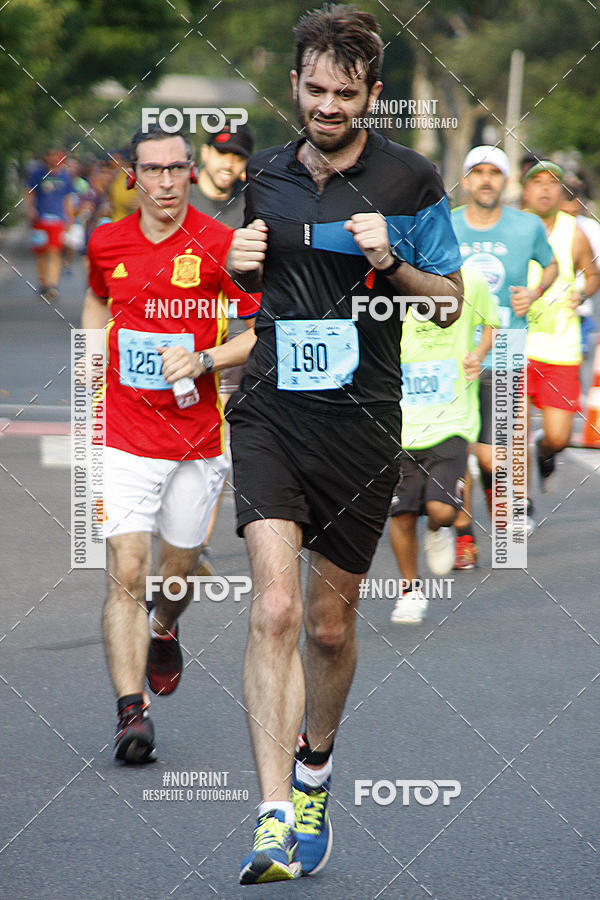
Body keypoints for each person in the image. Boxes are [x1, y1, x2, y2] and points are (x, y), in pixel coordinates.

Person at [225, 4, 463, 885]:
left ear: (372, 93)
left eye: (344, 92)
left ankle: (315, 767)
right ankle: (272, 816)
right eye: (314, 89)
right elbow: (260, 300)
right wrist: (239, 265)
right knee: (275, 610)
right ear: (295, 84)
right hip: (271, 415)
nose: (327, 105)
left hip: (363, 424)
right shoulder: (266, 175)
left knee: (328, 626)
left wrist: (394, 263)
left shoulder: (411, 180)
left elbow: (449, 302)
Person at [82, 123, 259, 764]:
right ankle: (133, 714)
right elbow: (98, 303)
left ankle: (163, 629)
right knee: (126, 570)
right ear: (133, 173)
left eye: (175, 168)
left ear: (191, 171)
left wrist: (206, 358)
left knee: (175, 577)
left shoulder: (218, 244)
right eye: (152, 169)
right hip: (124, 433)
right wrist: (90, 351)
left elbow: (257, 331)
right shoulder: (105, 242)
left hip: (195, 438)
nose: (164, 181)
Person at [451, 146, 557, 564]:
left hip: (508, 347)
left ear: (505, 181)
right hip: (455, 351)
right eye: (478, 172)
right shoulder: (447, 225)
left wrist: (534, 291)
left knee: (496, 452)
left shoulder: (526, 226)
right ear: (466, 181)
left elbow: (549, 266)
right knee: (457, 447)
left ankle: (498, 489)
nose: (486, 180)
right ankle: (463, 536)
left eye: (494, 172)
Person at [389, 266, 499, 623]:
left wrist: (478, 354)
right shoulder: (388, 281)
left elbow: (491, 324)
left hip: (453, 418)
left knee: (440, 511)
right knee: (402, 513)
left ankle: (438, 530)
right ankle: (409, 591)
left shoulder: (470, 279)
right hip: (401, 421)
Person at [189, 123, 257, 576]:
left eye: (236, 156)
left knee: (214, 442)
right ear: (204, 154)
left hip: (230, 335)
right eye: (220, 153)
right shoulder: (177, 199)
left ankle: (197, 546)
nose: (228, 163)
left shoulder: (253, 207)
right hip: (174, 330)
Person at [522, 160, 599, 490]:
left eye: (552, 182)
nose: (544, 188)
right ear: (526, 190)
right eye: (537, 182)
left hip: (561, 349)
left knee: (559, 436)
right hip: (516, 344)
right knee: (513, 432)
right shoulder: (515, 227)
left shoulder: (574, 232)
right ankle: (519, 504)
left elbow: (592, 274)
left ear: (559, 191)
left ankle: (546, 448)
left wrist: (581, 292)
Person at [25, 147, 74, 301]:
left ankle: (52, 283)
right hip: (40, 219)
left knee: (54, 251)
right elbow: (30, 193)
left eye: (57, 155)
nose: (54, 158)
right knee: (41, 251)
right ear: (46, 157)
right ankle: (43, 283)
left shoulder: (65, 176)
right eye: (51, 155)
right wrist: (30, 210)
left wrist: (70, 217)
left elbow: (68, 199)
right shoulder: (38, 174)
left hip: (57, 219)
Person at [560, 174, 600, 358]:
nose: (570, 220)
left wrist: (582, 294)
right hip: (541, 321)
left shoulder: (589, 229)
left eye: (574, 213)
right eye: (566, 214)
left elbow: (595, 274)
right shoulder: (540, 228)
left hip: (580, 316)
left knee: (577, 374)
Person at [190, 123, 254, 228]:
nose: (228, 164)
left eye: (239, 157)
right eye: (222, 153)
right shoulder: (179, 195)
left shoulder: (253, 202)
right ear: (205, 152)